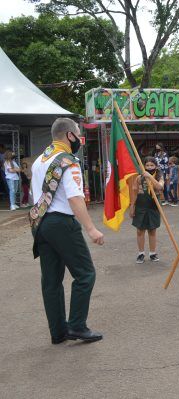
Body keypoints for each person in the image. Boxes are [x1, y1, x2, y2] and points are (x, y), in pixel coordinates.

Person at [30, 118, 104, 344]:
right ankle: (78, 326)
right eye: (78, 133)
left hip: (40, 223)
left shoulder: (39, 161)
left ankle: (58, 331)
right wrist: (91, 229)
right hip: (62, 222)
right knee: (85, 274)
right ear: (69, 135)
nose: (79, 138)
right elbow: (75, 198)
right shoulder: (68, 161)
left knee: (51, 280)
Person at [130, 157, 164, 263]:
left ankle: (152, 253)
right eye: (147, 165)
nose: (149, 167)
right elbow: (134, 192)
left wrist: (150, 177)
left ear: (156, 166)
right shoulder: (139, 178)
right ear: (144, 166)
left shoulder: (159, 177)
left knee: (152, 230)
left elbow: (160, 187)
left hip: (153, 207)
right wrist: (132, 206)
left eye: (152, 165)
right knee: (140, 231)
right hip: (141, 206)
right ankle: (141, 253)